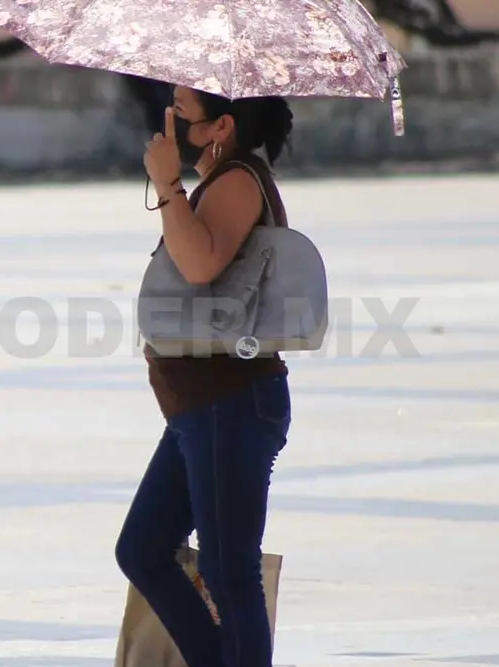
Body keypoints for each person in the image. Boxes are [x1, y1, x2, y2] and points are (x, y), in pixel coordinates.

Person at [114, 86, 295, 667]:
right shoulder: (221, 181)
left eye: (182, 113)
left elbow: (198, 265)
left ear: (221, 128)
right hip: (203, 406)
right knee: (143, 548)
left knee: (228, 571)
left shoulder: (238, 180)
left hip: (230, 401)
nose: (168, 120)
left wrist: (168, 184)